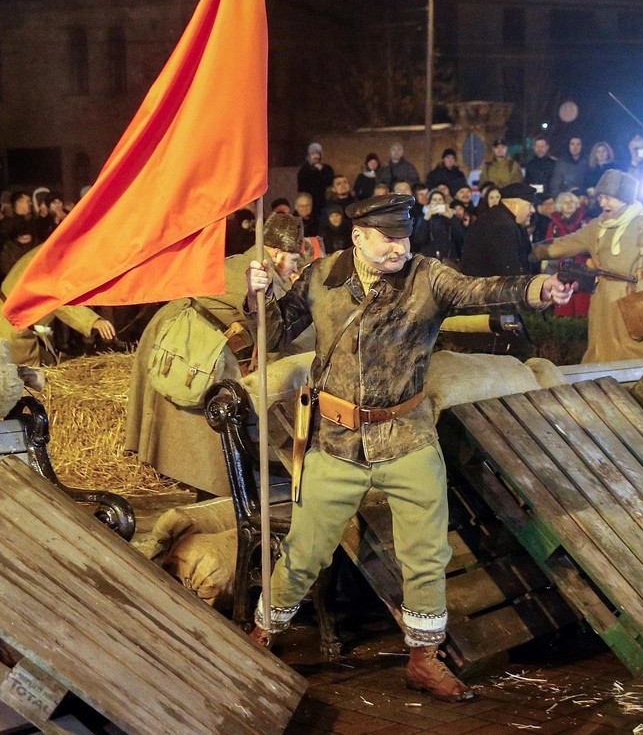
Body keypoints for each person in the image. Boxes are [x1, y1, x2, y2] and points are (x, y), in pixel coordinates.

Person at [246, 195, 574, 702]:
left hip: (408, 437)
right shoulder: (322, 276)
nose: (400, 247)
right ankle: (262, 638)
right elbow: (271, 328)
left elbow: (478, 290)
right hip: (337, 441)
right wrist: (259, 295)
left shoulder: (426, 277)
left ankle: (424, 658)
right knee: (305, 549)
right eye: (388, 238)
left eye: (404, 236)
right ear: (359, 236)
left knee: (425, 554)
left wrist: (536, 288)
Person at [125, 213, 309, 496]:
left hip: (186, 344)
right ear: (276, 253)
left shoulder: (243, 262)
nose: (294, 270)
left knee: (208, 442)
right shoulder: (260, 274)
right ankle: (213, 501)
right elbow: (279, 337)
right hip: (187, 350)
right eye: (294, 261)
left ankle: (212, 494)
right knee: (209, 441)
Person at [533, 169, 643, 363]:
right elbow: (564, 245)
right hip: (604, 302)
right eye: (600, 198)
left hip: (638, 299)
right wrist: (529, 251)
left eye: (609, 198)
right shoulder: (596, 226)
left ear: (624, 198)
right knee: (602, 357)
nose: (603, 203)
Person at [459, 182, 536, 277]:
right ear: (513, 205)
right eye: (529, 205)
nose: (533, 210)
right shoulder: (501, 226)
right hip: (484, 289)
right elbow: (510, 273)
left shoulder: (506, 220)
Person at [544, 191, 591, 316]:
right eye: (565, 202)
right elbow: (549, 248)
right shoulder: (554, 225)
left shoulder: (587, 222)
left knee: (583, 310)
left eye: (572, 202)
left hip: (583, 272)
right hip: (562, 272)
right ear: (560, 206)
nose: (569, 205)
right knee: (563, 309)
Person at [297, 142, 334, 216]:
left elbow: (330, 183)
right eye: (313, 154)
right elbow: (301, 188)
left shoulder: (327, 169)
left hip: (325, 203)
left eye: (318, 154)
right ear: (309, 156)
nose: (316, 156)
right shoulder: (304, 171)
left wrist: (321, 171)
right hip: (309, 205)